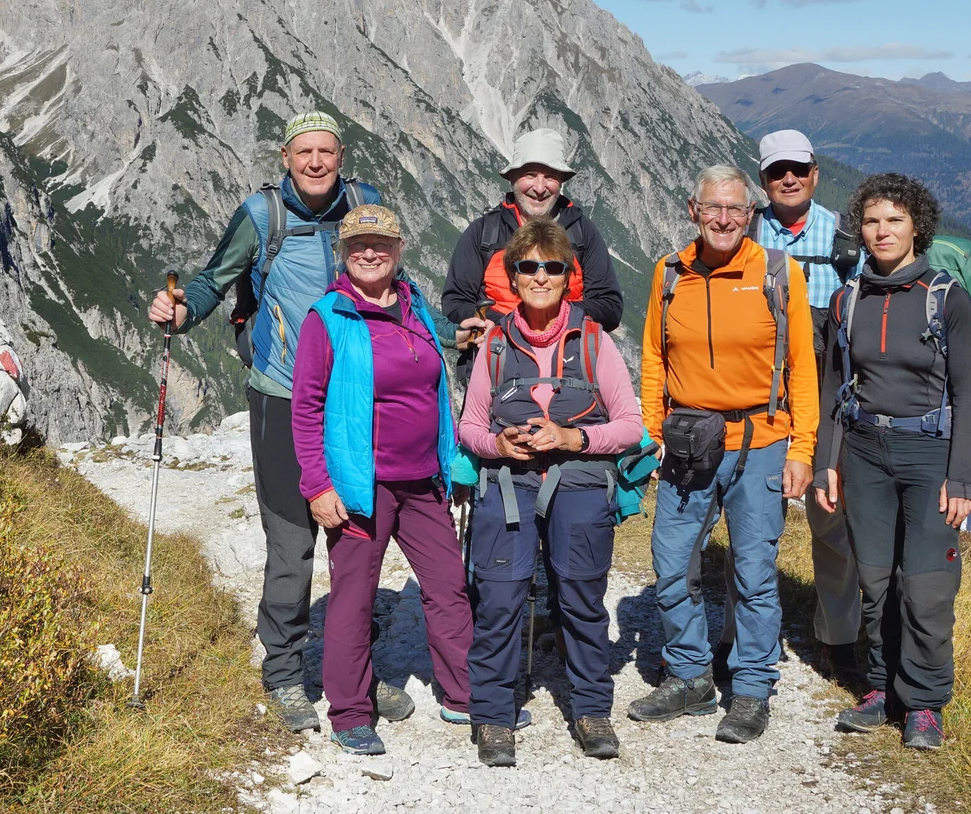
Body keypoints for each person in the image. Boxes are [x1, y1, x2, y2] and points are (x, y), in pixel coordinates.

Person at [152, 112, 465, 732]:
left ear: (341, 156)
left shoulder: (364, 204)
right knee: (292, 542)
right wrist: (181, 313)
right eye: (304, 152)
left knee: (356, 546)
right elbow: (215, 280)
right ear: (286, 158)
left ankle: (355, 673)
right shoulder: (261, 215)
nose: (316, 162)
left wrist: (450, 336)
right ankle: (285, 674)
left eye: (326, 151)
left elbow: (395, 287)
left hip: (357, 407)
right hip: (282, 395)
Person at [453, 218, 651, 766]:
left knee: (582, 600)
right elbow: (469, 427)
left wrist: (573, 437)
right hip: (508, 483)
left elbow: (630, 426)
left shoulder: (595, 341)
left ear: (568, 277)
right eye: (528, 267)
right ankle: (494, 717)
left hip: (580, 481)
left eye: (553, 267)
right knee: (498, 601)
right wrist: (497, 444)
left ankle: (591, 711)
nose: (540, 276)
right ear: (513, 277)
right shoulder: (495, 344)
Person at [631, 165, 817, 743]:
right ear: (693, 210)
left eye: (736, 209)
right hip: (688, 442)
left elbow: (802, 367)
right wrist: (651, 433)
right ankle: (691, 676)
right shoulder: (669, 273)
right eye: (713, 207)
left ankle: (752, 688)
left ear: (751, 214)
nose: (724, 219)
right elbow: (655, 358)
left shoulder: (778, 272)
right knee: (671, 563)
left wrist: (803, 448)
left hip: (760, 442)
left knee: (754, 572)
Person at [290, 204, 474, 756]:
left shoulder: (415, 307)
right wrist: (318, 485)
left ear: (399, 250)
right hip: (360, 487)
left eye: (381, 244)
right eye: (357, 245)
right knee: (353, 598)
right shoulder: (329, 317)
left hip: (425, 481)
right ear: (343, 254)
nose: (369, 253)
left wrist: (451, 460)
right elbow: (306, 408)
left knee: (448, 587)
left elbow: (435, 391)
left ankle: (464, 695)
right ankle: (350, 712)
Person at [815, 173, 971, 751]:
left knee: (928, 585)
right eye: (871, 220)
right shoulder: (848, 299)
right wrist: (826, 463)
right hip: (864, 452)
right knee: (876, 578)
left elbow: (967, 393)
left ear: (917, 227)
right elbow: (834, 386)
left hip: (930, 455)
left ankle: (925, 702)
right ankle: (882, 688)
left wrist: (961, 477)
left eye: (894, 220)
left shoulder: (946, 297)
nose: (881, 231)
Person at [746, 129, 862, 678]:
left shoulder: (845, 238)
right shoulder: (742, 230)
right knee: (748, 515)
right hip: (754, 393)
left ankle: (838, 637)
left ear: (816, 173)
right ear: (763, 179)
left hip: (825, 388)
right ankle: (744, 635)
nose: (788, 179)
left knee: (829, 510)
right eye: (777, 171)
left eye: (798, 169)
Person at [441, 128, 625, 332]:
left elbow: (610, 307)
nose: (539, 188)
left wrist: (555, 320)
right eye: (530, 175)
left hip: (566, 350)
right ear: (512, 178)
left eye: (550, 177)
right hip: (498, 347)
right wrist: (509, 327)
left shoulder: (582, 231)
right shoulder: (484, 232)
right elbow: (455, 303)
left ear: (561, 182)